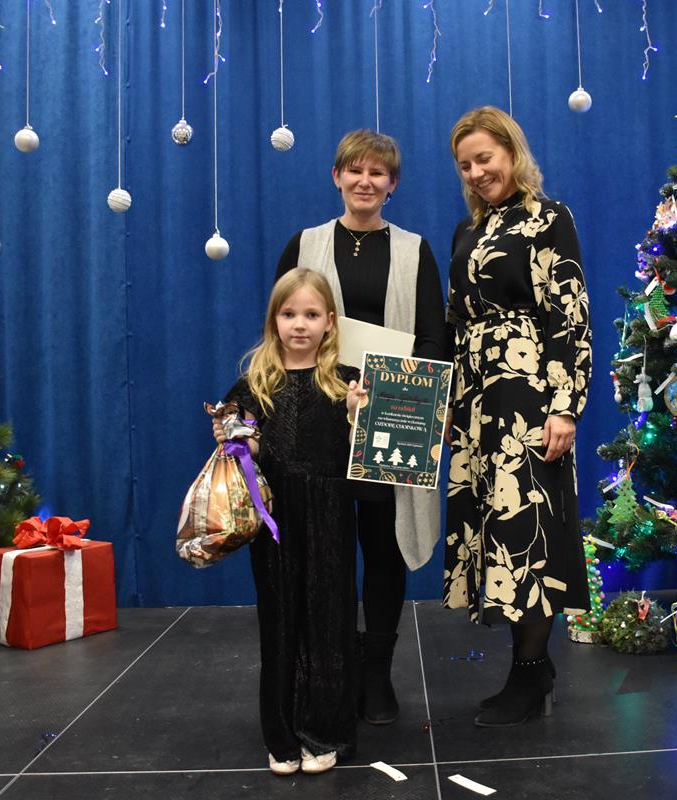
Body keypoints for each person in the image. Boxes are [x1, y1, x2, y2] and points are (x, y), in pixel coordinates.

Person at [275, 130, 446, 725]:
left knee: (382, 545)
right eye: (355, 170)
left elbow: (432, 337)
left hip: (388, 414)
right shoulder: (305, 244)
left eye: (378, 173)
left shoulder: (415, 250)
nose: (365, 181)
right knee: (325, 549)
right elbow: (283, 328)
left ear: (392, 184)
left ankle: (376, 675)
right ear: (337, 176)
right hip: (318, 415)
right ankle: (335, 668)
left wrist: (400, 399)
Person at [444, 106, 592, 727]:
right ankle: (532, 669)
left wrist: (565, 406)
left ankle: (530, 675)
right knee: (497, 531)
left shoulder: (549, 218)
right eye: (465, 165)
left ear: (512, 152)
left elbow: (570, 314)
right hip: (477, 398)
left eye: (485, 158)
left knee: (527, 529)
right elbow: (453, 320)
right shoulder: (467, 229)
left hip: (528, 394)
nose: (477, 172)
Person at [215, 268, 366, 775]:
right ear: (273, 321)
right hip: (276, 516)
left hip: (330, 511)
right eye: (289, 314)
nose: (299, 324)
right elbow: (252, 451)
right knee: (279, 617)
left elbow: (365, 452)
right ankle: (280, 732)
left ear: (329, 322)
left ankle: (327, 729)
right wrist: (235, 439)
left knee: (329, 616)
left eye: (311, 314)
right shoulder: (253, 385)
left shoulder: (347, 381)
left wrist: (358, 414)